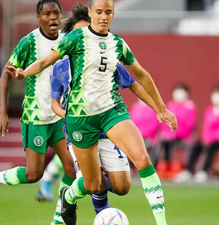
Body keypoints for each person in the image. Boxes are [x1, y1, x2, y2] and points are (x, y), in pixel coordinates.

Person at [6, 1, 177, 224]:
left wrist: (161, 109)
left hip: (111, 112)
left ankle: (162, 222)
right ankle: (68, 197)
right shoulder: (74, 40)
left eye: (108, 12)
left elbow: (141, 77)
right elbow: (45, 62)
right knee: (93, 184)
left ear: (113, 14)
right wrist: (23, 73)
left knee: (141, 161)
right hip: (81, 119)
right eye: (99, 12)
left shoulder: (118, 44)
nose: (103, 17)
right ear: (91, 13)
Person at [47, 4, 163, 223]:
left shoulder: (105, 56)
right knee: (95, 183)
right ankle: (83, 203)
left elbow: (133, 83)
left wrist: (158, 109)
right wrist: (68, 115)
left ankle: (88, 188)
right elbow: (54, 102)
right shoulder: (59, 67)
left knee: (123, 186)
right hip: (79, 128)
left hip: (107, 128)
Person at [0, 0, 77, 211]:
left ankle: (60, 216)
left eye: (56, 13)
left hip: (59, 115)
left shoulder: (67, 40)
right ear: (38, 18)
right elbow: (6, 76)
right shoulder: (28, 42)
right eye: (47, 14)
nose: (52, 18)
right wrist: (2, 112)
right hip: (36, 117)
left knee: (71, 167)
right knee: (33, 174)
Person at [176, 84, 219, 183]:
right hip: (210, 139)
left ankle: (204, 171)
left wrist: (212, 138)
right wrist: (205, 138)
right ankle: (188, 170)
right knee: (197, 145)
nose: (217, 96)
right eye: (215, 93)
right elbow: (206, 127)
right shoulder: (209, 110)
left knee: (211, 146)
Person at [159, 83, 196, 179]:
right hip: (170, 137)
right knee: (163, 142)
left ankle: (186, 169)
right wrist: (166, 133)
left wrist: (174, 134)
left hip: (183, 138)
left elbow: (189, 125)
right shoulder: (169, 105)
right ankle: (166, 167)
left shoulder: (190, 107)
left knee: (169, 142)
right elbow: (164, 122)